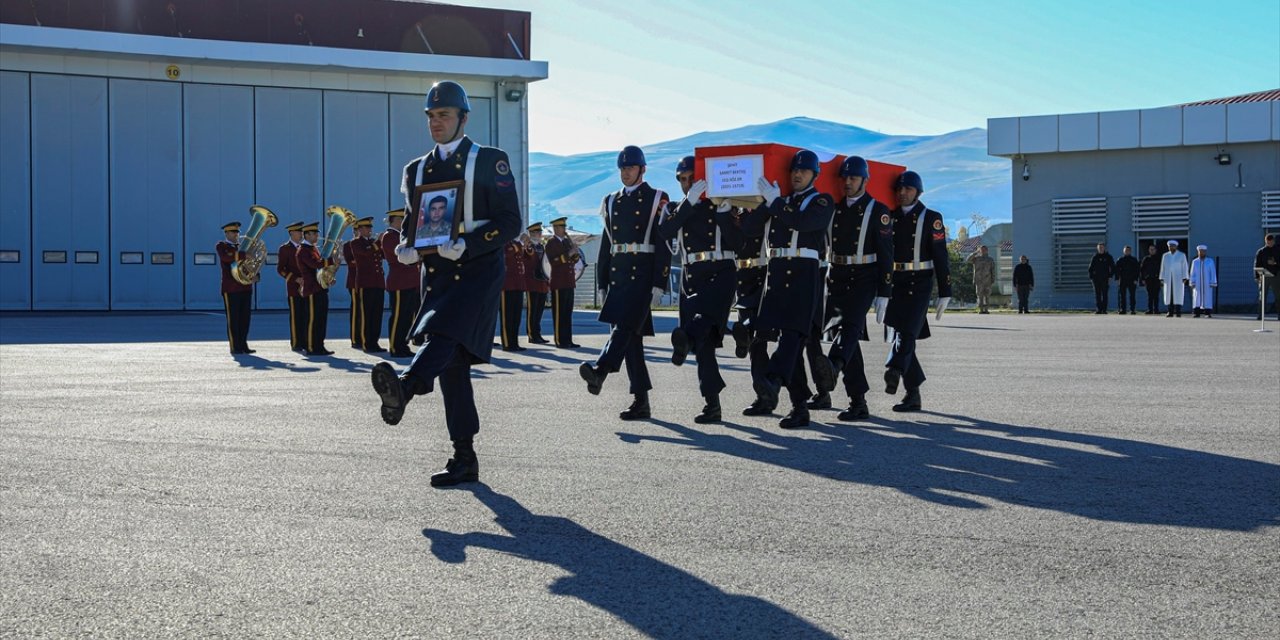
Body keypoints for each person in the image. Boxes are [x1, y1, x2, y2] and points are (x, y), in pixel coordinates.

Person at [369, 80, 521, 487]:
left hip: (478, 270)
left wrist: (468, 244)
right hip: (436, 273)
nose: (436, 123)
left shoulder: (490, 160)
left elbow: (511, 222)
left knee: (445, 332)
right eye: (432, 116)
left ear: (464, 118)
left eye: (445, 115)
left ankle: (406, 387)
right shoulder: (416, 169)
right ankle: (464, 458)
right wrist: (407, 247)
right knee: (452, 367)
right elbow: (414, 223)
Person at [741, 149, 835, 429]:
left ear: (814, 175)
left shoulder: (822, 201)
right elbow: (749, 228)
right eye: (795, 170)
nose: (797, 174)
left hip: (804, 274)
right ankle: (800, 407)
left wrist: (776, 202)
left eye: (803, 171)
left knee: (792, 337)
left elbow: (803, 222)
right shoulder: (778, 200)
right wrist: (763, 204)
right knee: (787, 341)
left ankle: (772, 379)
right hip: (777, 273)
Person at [578, 145, 673, 420]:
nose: (626, 173)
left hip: (642, 275)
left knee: (625, 327)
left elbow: (662, 242)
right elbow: (608, 242)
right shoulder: (611, 200)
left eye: (630, 168)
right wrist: (602, 280)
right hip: (619, 276)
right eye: (622, 168)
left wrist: (660, 281)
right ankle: (641, 402)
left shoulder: (657, 198)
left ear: (642, 170)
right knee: (631, 341)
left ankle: (600, 370)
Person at [657, 155, 741, 424]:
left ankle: (685, 338)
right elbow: (665, 231)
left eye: (692, 178)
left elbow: (738, 243)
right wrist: (689, 202)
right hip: (692, 276)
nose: (687, 184)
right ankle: (712, 403)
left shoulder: (720, 204)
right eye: (682, 179)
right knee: (704, 347)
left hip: (721, 272)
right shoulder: (675, 208)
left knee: (701, 327)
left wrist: (725, 213)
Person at [820, 155, 892, 421]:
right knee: (848, 337)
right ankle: (858, 400)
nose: (848, 183)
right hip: (836, 273)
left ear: (865, 179)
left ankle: (834, 364)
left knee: (851, 326)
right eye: (845, 178)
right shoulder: (834, 209)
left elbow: (886, 254)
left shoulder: (878, 210)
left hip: (865, 275)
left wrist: (885, 292)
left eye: (853, 178)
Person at [883, 171, 951, 412]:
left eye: (908, 189)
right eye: (900, 189)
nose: (903, 193)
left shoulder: (931, 218)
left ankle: (894, 367)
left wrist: (945, 290)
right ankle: (913, 394)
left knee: (907, 332)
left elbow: (941, 255)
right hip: (896, 281)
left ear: (918, 192)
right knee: (901, 333)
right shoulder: (889, 217)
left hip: (920, 281)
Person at [732, 210, 775, 416]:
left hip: (763, 276)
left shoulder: (766, 209)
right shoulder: (734, 211)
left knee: (759, 340)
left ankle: (766, 394)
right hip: (742, 278)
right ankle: (763, 395)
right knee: (757, 348)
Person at [380, 208, 420, 358]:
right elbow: (402, 256)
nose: (403, 222)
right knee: (398, 316)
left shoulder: (401, 236)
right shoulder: (390, 236)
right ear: (393, 221)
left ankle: (402, 344)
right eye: (400, 219)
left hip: (409, 282)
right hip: (399, 282)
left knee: (407, 316)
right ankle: (395, 347)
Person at [295, 221, 337, 355]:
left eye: (316, 234)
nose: (316, 237)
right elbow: (315, 265)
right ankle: (311, 347)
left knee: (321, 319)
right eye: (313, 234)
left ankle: (319, 345)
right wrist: (331, 259)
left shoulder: (313, 249)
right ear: (306, 235)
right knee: (313, 320)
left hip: (320, 288)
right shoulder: (302, 250)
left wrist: (329, 277)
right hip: (312, 289)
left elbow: (321, 269)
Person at [349, 216, 386, 351]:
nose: (370, 230)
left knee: (377, 315)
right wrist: (378, 242)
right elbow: (366, 253)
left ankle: (374, 342)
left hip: (378, 282)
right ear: (360, 229)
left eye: (370, 227)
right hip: (366, 283)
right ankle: (366, 343)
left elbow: (383, 255)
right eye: (367, 228)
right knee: (366, 315)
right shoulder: (356, 243)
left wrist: (384, 243)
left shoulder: (372, 242)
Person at [217, 221, 254, 355]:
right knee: (233, 319)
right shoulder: (222, 246)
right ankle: (235, 346)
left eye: (237, 232)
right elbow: (226, 258)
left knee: (245, 319)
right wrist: (244, 255)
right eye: (233, 232)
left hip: (245, 287)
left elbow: (251, 265)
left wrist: (255, 275)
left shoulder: (243, 247)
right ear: (226, 233)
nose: (236, 234)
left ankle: (243, 344)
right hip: (231, 288)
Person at [544, 217, 581, 348]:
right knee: (559, 313)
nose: (565, 230)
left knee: (567, 313)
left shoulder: (566, 242)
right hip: (559, 282)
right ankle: (560, 340)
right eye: (562, 227)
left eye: (565, 227)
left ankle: (568, 339)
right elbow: (554, 261)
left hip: (569, 281)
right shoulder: (551, 243)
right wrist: (569, 253)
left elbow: (574, 260)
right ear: (556, 228)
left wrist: (575, 252)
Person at [277, 221, 308, 351]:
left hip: (308, 287)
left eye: (302, 231)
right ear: (291, 233)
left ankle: (307, 341)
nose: (301, 234)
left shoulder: (306, 247)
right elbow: (281, 269)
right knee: (296, 316)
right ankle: (296, 343)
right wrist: (295, 279)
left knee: (307, 315)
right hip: (294, 288)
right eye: (299, 232)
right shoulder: (285, 249)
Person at [499, 234, 527, 351]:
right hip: (507, 285)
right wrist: (519, 244)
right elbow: (506, 255)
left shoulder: (514, 244)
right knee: (507, 316)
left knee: (516, 316)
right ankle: (507, 343)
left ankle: (514, 342)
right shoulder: (503, 243)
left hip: (517, 284)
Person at [524, 222, 551, 344]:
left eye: (540, 232)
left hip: (542, 282)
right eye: (538, 232)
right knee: (532, 310)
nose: (540, 234)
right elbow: (528, 259)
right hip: (532, 281)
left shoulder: (541, 247)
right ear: (532, 233)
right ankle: (532, 335)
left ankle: (537, 333)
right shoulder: (529, 246)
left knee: (539, 310)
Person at [1158, 239, 1189, 318]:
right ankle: (1170, 311)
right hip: (1168, 278)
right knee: (1169, 295)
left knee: (1178, 295)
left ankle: (1178, 311)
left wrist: (1185, 277)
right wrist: (1161, 278)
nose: (1171, 247)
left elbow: (1185, 267)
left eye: (1172, 246)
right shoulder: (1165, 256)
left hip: (1178, 278)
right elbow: (1163, 267)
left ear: (1176, 246)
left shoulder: (1181, 255)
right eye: (1169, 246)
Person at [1254, 234, 1280, 320]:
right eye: (1267, 242)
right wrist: (1257, 276)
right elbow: (1256, 264)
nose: (1269, 244)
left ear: (1273, 241)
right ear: (1265, 241)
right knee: (1262, 296)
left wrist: (1275, 263)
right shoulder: (1261, 251)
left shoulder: (1278, 250)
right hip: (1264, 276)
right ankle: (1260, 315)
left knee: (1278, 296)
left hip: (1275, 275)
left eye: (1270, 242)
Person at [1188, 244, 1217, 318]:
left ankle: (1207, 313)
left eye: (1203, 251)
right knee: (1196, 297)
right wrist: (1192, 282)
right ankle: (1196, 312)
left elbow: (1213, 272)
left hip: (1207, 283)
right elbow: (1192, 273)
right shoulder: (1195, 262)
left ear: (1205, 252)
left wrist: (1212, 282)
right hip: (1197, 284)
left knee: (1207, 297)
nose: (1202, 253)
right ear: (1198, 252)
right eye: (1200, 251)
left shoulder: (1210, 261)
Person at [967, 245, 996, 314]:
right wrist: (975, 253)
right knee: (980, 296)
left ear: (987, 250)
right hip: (979, 280)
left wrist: (993, 279)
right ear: (980, 250)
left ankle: (986, 309)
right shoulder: (976, 258)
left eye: (984, 249)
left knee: (987, 296)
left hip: (987, 280)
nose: (983, 251)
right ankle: (981, 309)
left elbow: (993, 270)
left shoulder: (990, 259)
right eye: (982, 249)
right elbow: (968, 259)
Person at [1088, 243, 1115, 314]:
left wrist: (1110, 276)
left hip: (1105, 279)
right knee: (1097, 294)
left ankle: (1104, 310)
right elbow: (1090, 268)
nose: (1101, 249)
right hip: (1096, 279)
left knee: (1105, 294)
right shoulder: (1095, 257)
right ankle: (1098, 309)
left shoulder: (1108, 257)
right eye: (1099, 248)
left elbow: (1112, 267)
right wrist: (1091, 277)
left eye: (1102, 247)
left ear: (1104, 248)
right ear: (1097, 248)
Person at [343, 234, 359, 348]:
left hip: (366, 282)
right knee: (356, 311)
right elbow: (351, 262)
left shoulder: (368, 243)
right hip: (354, 282)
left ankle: (363, 337)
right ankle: (355, 338)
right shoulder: (348, 245)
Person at [1114, 245, 1140, 314]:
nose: (1127, 252)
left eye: (1128, 250)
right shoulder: (1120, 260)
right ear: (1123, 251)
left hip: (1132, 280)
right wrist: (1117, 278)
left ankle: (1132, 310)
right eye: (1126, 250)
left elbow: (1137, 270)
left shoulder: (1134, 260)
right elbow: (1116, 270)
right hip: (1122, 280)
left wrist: (1136, 279)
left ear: (1130, 251)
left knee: (1132, 296)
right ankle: (1122, 309)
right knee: (1122, 296)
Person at [1140, 244, 1163, 315]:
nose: (1152, 250)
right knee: (1150, 295)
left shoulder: (1159, 259)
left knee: (1156, 295)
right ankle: (1150, 309)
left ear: (1155, 250)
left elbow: (1162, 269)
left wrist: (1162, 279)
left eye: (1153, 249)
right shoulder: (1146, 259)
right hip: (1148, 279)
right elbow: (1142, 270)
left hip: (1157, 279)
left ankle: (1156, 309)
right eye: (1150, 249)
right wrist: (1143, 279)